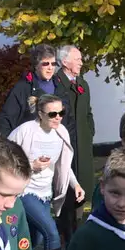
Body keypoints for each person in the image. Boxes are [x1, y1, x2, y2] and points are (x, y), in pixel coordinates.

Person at [8, 94, 80, 250]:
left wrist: (76, 184)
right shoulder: (25, 131)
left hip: (45, 194)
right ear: (40, 114)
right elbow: (4, 158)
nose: (58, 117)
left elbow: (62, 164)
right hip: (25, 191)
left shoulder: (61, 132)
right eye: (52, 114)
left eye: (61, 113)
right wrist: (32, 166)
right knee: (51, 233)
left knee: (33, 240)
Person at [54, 45, 96, 233]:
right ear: (65, 62)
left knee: (84, 189)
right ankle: (66, 233)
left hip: (83, 145)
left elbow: (88, 112)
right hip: (65, 144)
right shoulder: (56, 84)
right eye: (77, 59)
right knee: (66, 189)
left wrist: (89, 131)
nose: (81, 62)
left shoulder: (83, 84)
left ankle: (81, 227)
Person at [0, 46, 60, 136]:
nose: (50, 68)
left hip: (56, 143)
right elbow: (6, 119)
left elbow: (69, 121)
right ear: (36, 65)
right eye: (46, 64)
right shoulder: (23, 88)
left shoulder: (61, 87)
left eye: (53, 64)